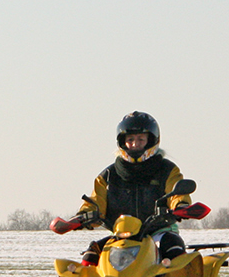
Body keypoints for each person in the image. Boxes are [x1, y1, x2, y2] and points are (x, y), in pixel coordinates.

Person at [74, 111, 192, 264]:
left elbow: (176, 193)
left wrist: (181, 206)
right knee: (91, 255)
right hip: (122, 236)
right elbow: (96, 201)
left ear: (152, 140)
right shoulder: (108, 175)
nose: (135, 144)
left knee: (173, 247)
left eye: (141, 139)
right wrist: (83, 216)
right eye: (130, 139)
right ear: (122, 142)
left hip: (158, 233)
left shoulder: (167, 170)